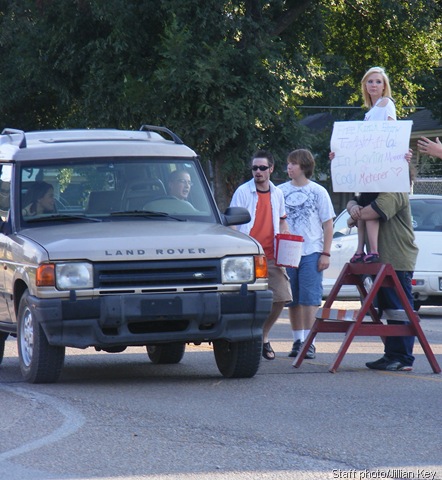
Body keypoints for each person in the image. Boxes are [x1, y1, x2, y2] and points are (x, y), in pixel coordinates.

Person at [330, 66, 397, 264]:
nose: (374, 85)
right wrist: (340, 154)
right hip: (365, 166)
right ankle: (360, 249)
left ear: (384, 86)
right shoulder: (370, 112)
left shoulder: (386, 104)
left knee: (369, 205)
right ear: (364, 85)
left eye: (378, 82)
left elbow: (391, 134)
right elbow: (358, 143)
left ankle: (373, 250)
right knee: (359, 204)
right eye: (370, 81)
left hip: (377, 165)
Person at [230, 150, 292, 360]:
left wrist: (287, 238)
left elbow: (282, 220)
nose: (258, 172)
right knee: (245, 300)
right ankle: (247, 339)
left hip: (272, 253)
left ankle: (263, 335)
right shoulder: (243, 191)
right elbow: (234, 223)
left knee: (282, 297)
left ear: (271, 169)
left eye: (262, 168)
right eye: (255, 168)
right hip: (249, 255)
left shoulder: (278, 193)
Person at [346, 191, 419, 371]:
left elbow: (373, 211)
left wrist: (352, 217)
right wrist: (353, 207)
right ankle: (391, 355)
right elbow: (353, 202)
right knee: (388, 310)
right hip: (380, 262)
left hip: (397, 260)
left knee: (399, 308)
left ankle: (403, 357)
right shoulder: (373, 191)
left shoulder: (393, 191)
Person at [278, 149, 335, 360]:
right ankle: (297, 340)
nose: (289, 167)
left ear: (304, 166)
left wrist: (325, 253)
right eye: (288, 163)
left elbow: (328, 224)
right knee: (291, 299)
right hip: (287, 251)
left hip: (311, 250)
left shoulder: (319, 191)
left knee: (309, 299)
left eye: (293, 164)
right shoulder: (280, 191)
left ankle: (309, 342)